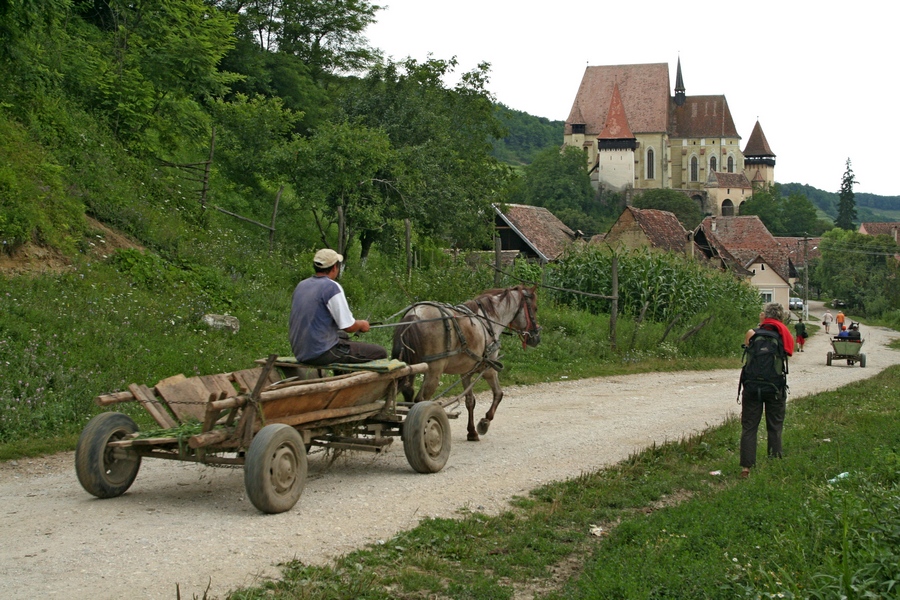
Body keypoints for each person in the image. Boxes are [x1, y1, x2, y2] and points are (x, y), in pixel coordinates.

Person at [289, 249, 387, 366]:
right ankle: (352, 383)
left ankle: (340, 374)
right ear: (335, 267)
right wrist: (362, 324)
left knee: (343, 336)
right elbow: (349, 326)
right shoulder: (332, 288)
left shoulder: (302, 285)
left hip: (300, 351)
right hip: (320, 352)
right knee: (379, 352)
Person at [739, 302, 794, 479]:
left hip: (752, 386)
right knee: (775, 426)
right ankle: (774, 464)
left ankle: (746, 468)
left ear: (765, 315)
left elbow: (747, 351)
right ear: (781, 317)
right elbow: (788, 354)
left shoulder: (752, 333)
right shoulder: (783, 334)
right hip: (774, 387)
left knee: (749, 427)